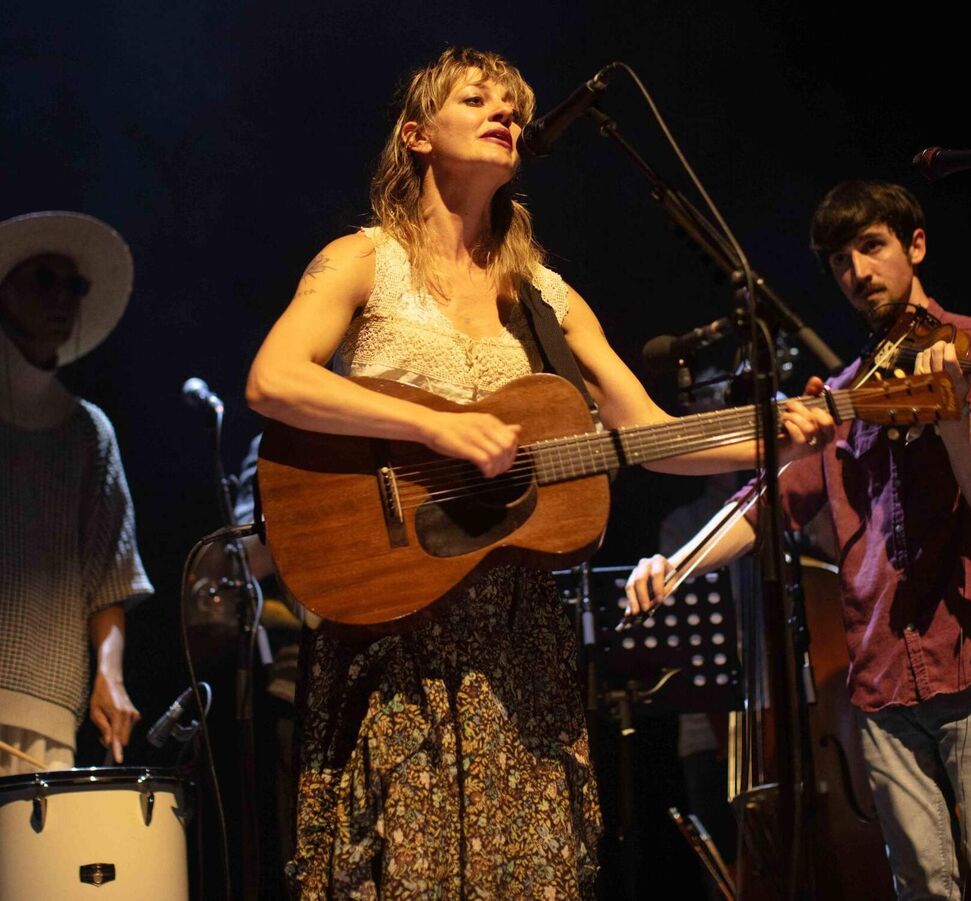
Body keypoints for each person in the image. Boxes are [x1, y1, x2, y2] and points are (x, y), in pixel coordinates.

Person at [244, 47, 832, 899]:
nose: (505, 115)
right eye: (476, 99)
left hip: (518, 643)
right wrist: (439, 426)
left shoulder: (547, 297)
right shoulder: (362, 260)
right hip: (392, 620)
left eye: (512, 106)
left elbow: (652, 438)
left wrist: (773, 438)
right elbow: (274, 379)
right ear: (416, 136)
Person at [625, 181, 971, 899]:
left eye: (871, 247)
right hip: (884, 671)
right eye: (839, 261)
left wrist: (955, 421)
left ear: (914, 245)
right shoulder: (845, 392)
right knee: (922, 886)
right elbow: (766, 504)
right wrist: (676, 564)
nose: (857, 273)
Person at [0, 210, 152, 775]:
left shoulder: (88, 432)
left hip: (46, 699)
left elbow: (108, 576)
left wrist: (109, 676)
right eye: (43, 278)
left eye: (75, 284)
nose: (63, 295)